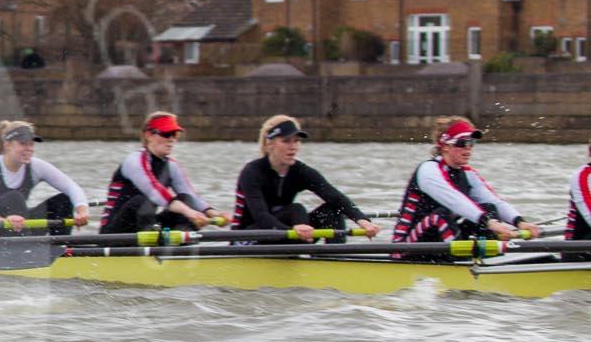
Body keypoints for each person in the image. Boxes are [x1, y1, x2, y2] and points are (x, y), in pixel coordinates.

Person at [230, 115, 378, 240]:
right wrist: (293, 233)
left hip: (288, 235)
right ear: (270, 144)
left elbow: (335, 197)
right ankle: (301, 249)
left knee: (332, 211)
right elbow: (261, 216)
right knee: (296, 209)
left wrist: (363, 221)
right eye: (286, 141)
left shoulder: (300, 171)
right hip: (249, 238)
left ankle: (332, 262)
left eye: (296, 141)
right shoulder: (251, 172)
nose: (293, 146)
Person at [393, 117, 526, 245]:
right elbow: (454, 200)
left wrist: (520, 222)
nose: (468, 148)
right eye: (462, 143)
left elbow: (494, 201)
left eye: (471, 143)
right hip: (408, 245)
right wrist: (489, 223)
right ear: (445, 146)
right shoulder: (428, 170)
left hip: (439, 241)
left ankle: (489, 258)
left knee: (489, 208)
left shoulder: (468, 174)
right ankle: (462, 262)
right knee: (442, 215)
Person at [0, 120, 90, 235]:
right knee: (14, 197)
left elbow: (71, 187)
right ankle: (25, 248)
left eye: (31, 144)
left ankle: (61, 248)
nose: (29, 149)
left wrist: (82, 210)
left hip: (20, 227)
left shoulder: (36, 166)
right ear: (7, 145)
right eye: (23, 143)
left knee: (64, 200)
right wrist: (2, 220)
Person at [101, 111, 213, 234]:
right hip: (115, 231)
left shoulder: (171, 165)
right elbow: (154, 191)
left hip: (145, 226)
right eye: (166, 134)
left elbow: (190, 194)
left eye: (174, 134)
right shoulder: (134, 161)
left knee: (186, 199)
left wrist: (212, 213)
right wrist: (189, 212)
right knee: (141, 201)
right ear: (148, 135)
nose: (171, 140)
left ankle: (178, 245)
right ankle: (155, 241)